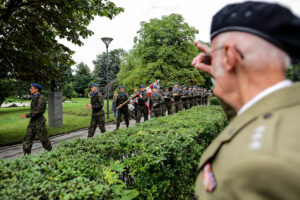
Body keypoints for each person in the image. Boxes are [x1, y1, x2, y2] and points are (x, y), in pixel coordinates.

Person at [192, 1, 300, 199]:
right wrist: (223, 74)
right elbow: (251, 119)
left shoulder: (257, 167)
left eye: (215, 54)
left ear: (229, 56)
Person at [20, 83, 52, 155]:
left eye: (31, 88)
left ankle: (50, 152)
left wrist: (27, 115)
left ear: (36, 89)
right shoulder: (34, 98)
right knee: (27, 138)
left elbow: (38, 111)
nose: (30, 89)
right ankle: (27, 154)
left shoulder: (41, 99)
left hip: (39, 122)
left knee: (43, 139)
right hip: (32, 122)